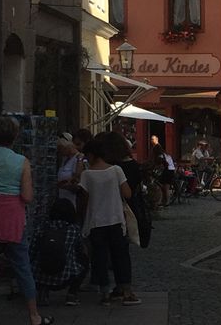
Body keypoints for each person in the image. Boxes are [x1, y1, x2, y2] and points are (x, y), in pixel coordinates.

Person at [0, 116, 53, 325]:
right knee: (22, 265)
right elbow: (27, 196)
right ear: (15, 137)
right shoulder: (21, 161)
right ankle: (34, 316)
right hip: (12, 217)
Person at [81, 137, 140, 305]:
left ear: (91, 155)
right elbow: (127, 193)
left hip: (96, 222)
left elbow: (84, 200)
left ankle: (104, 292)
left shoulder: (87, 175)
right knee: (121, 255)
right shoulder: (116, 171)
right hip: (115, 219)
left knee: (100, 257)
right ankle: (126, 291)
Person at [30, 198, 89, 306]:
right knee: (84, 261)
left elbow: (32, 251)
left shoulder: (41, 228)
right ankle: (71, 294)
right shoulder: (73, 229)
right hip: (64, 277)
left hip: (39, 275)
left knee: (36, 260)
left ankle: (43, 291)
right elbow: (81, 250)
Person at [99, 131, 151, 249]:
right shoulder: (133, 165)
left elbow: (127, 193)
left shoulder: (113, 167)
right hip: (128, 209)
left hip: (115, 210)